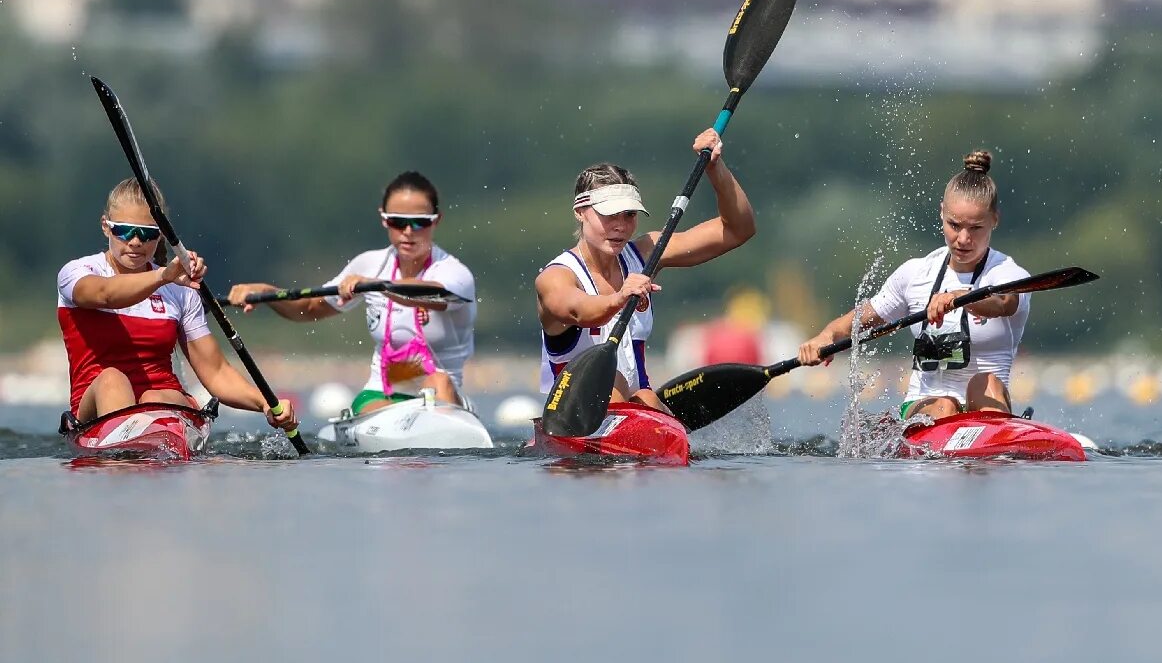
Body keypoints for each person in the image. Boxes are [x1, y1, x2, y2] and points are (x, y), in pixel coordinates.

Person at [797, 150, 1030, 422]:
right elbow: (860, 320)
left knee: (984, 383)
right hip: (927, 409)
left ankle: (991, 444)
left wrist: (958, 297)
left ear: (995, 219)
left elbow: (1005, 302)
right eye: (954, 225)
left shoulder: (1007, 273)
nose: (963, 238)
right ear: (942, 212)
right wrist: (827, 335)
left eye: (976, 228)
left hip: (988, 409)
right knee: (946, 406)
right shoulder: (915, 274)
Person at [536, 129, 755, 413]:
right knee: (615, 388)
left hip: (639, 407)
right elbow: (579, 311)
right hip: (580, 414)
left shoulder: (646, 254)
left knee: (646, 398)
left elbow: (738, 230)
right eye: (609, 215)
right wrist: (620, 297)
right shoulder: (556, 277)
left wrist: (716, 168)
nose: (621, 225)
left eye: (629, 215)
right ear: (580, 211)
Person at [58, 178, 300, 433]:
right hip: (98, 409)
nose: (136, 242)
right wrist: (162, 276)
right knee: (112, 380)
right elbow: (105, 295)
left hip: (165, 403)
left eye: (148, 233)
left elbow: (216, 371)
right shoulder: (77, 272)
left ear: (160, 234)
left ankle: (143, 451)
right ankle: (127, 453)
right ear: (106, 226)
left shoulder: (180, 289)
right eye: (124, 230)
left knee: (156, 398)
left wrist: (265, 403)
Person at [227, 171, 476, 417]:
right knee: (374, 409)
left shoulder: (454, 273)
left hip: (443, 394)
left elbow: (435, 295)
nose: (408, 231)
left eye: (420, 222)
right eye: (397, 222)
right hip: (383, 393)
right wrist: (265, 291)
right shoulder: (369, 264)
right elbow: (311, 308)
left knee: (438, 380)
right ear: (383, 219)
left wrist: (377, 285)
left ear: (437, 220)